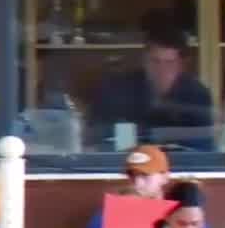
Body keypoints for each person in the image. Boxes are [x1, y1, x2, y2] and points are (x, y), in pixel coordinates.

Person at [88, 23, 215, 151]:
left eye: (169, 63)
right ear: (144, 61)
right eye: (155, 61)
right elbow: (99, 139)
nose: (161, 70)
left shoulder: (197, 95)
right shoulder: (117, 90)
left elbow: (203, 148)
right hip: (129, 160)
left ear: (180, 65)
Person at [82, 144, 172, 228]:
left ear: (165, 177)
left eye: (145, 175)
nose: (137, 183)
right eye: (132, 176)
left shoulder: (181, 217)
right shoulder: (103, 219)